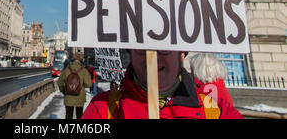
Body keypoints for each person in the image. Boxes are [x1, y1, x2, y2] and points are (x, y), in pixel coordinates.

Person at [82, 50, 243, 119]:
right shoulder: (103, 109)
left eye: (164, 48)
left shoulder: (215, 111)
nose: (153, 57)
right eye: (141, 48)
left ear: (181, 54)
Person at [57, 53, 92, 119]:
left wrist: (64, 91)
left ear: (73, 60)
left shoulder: (67, 69)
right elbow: (89, 84)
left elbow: (59, 82)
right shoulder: (84, 70)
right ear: (80, 60)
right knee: (79, 115)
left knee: (68, 116)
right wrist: (81, 86)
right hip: (80, 97)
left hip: (68, 97)